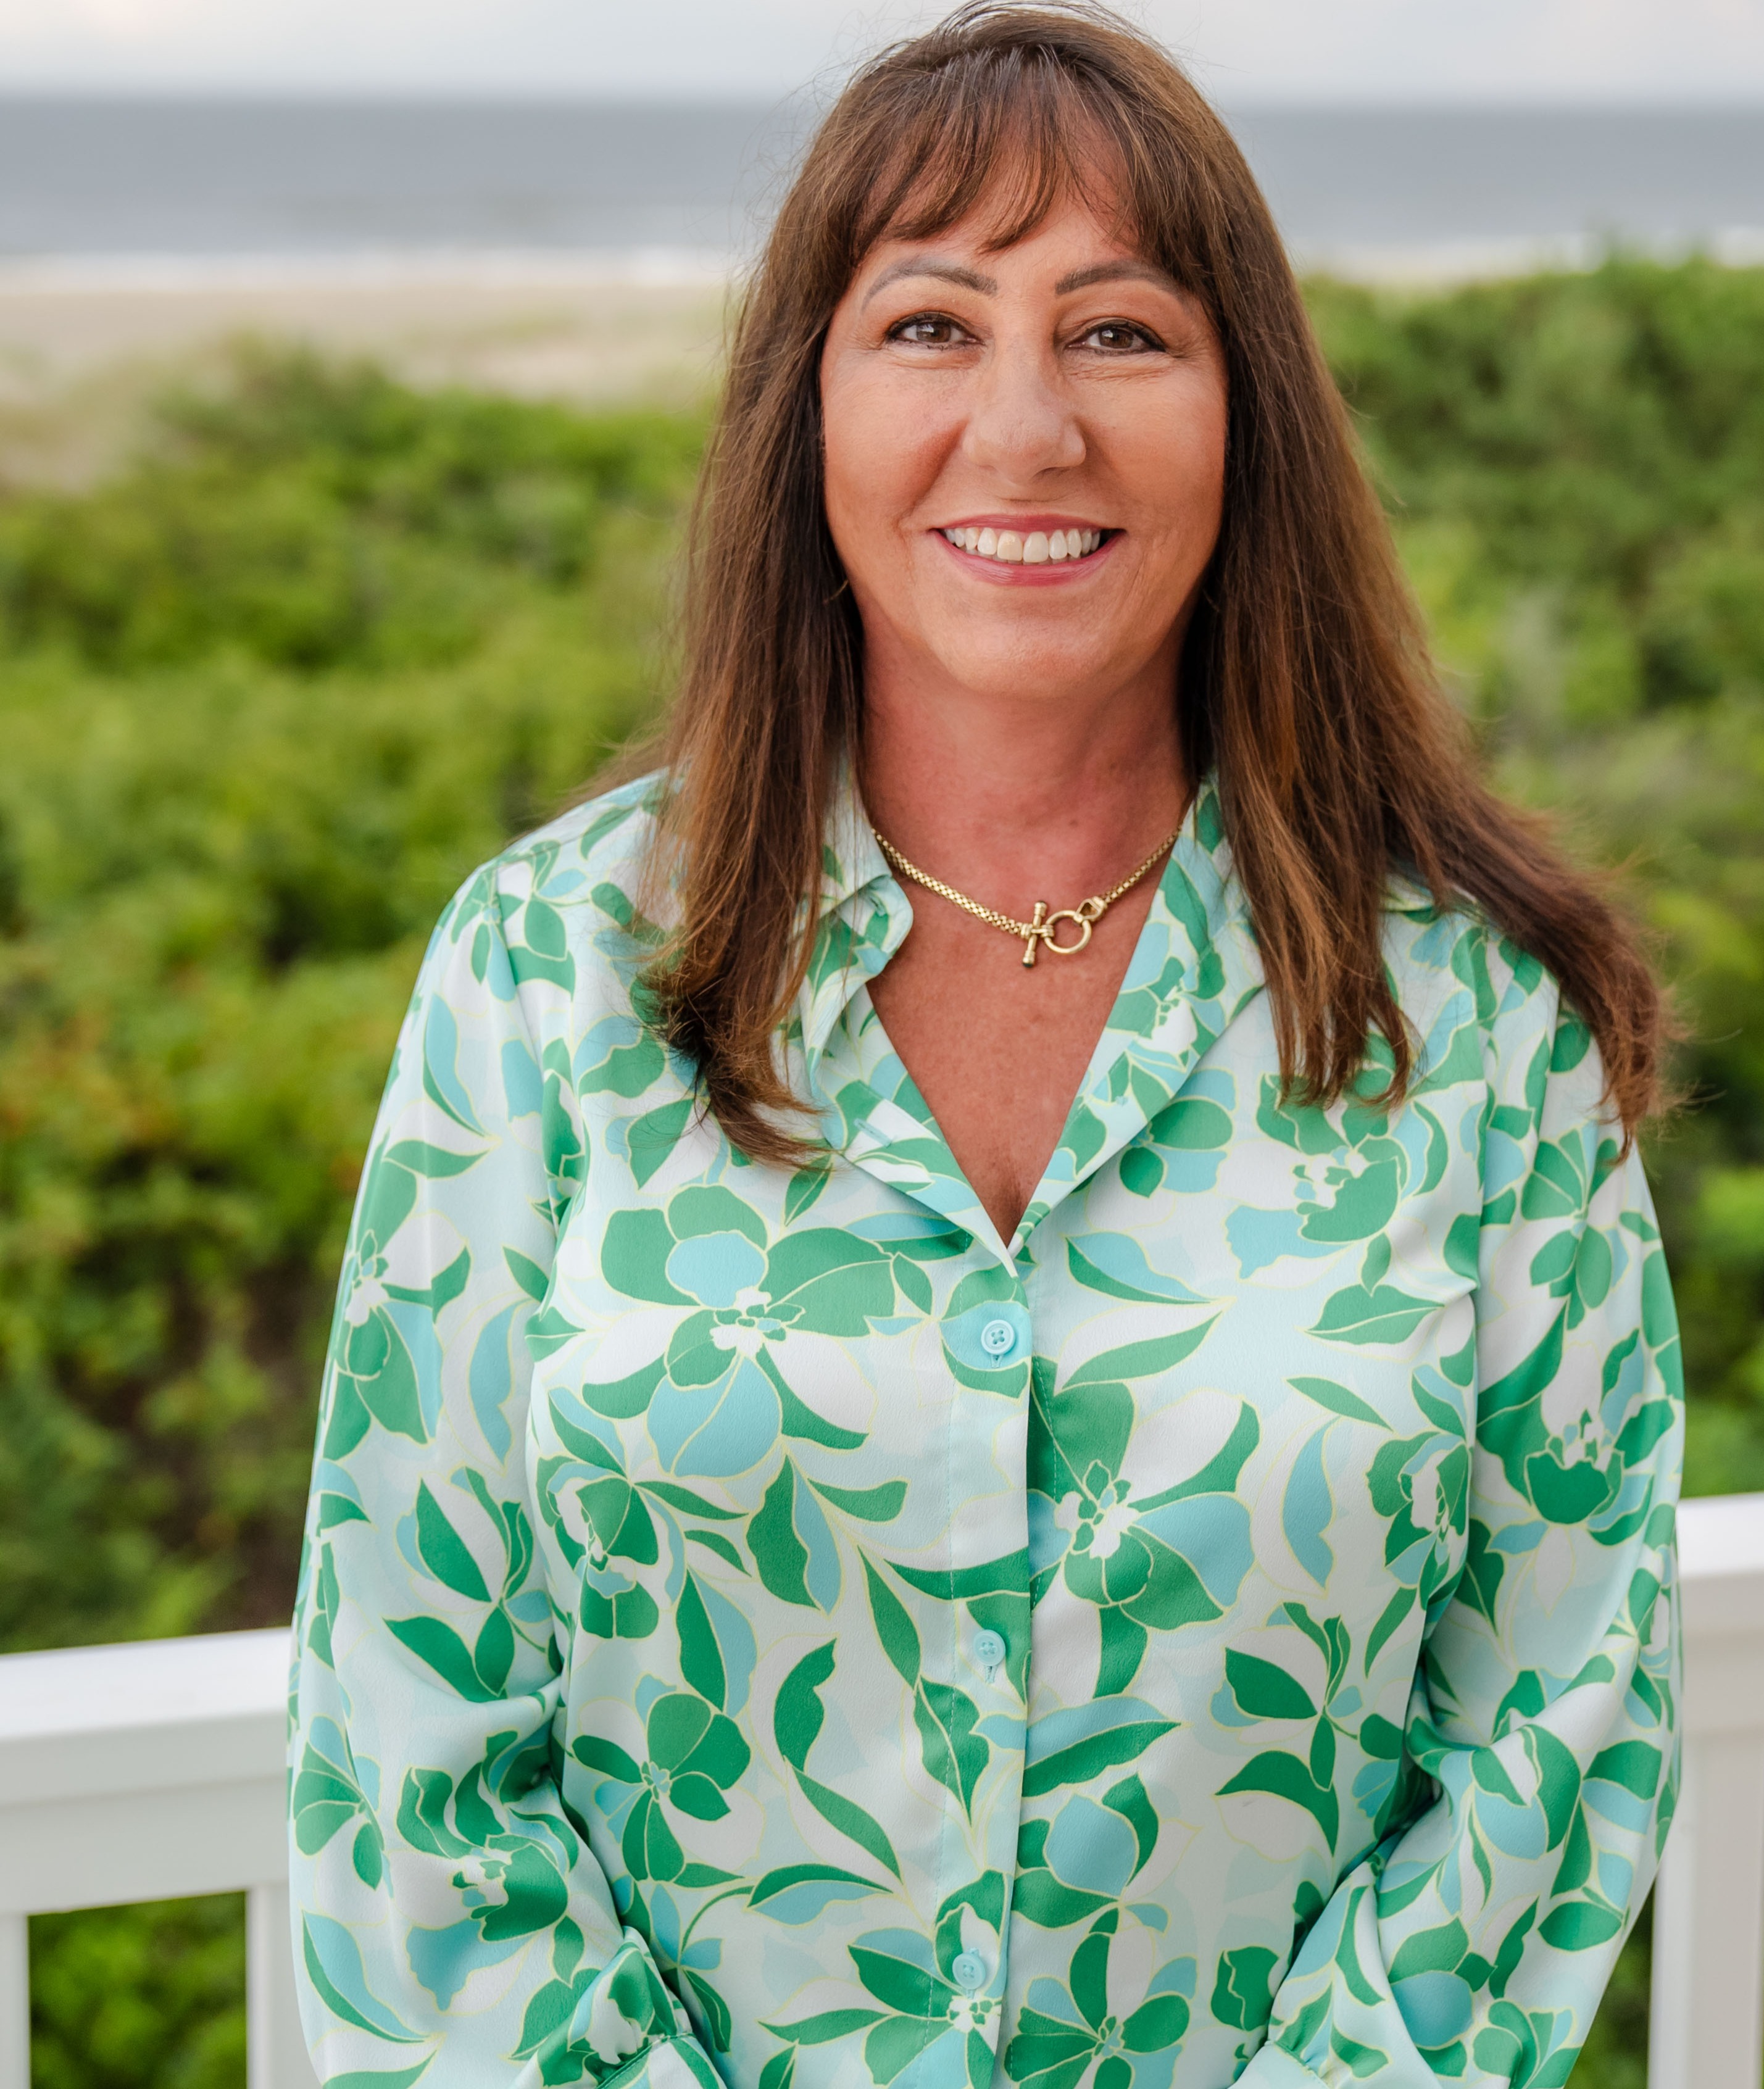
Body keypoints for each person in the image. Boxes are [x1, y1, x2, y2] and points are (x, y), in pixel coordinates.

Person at [286, 8, 1684, 2088]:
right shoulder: (545, 973)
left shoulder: (1473, 1023)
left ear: (1244, 418)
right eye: (930, 327)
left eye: (1118, 332)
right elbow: (409, 1748)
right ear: (808, 416)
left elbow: (1554, 1728)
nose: (1024, 430)